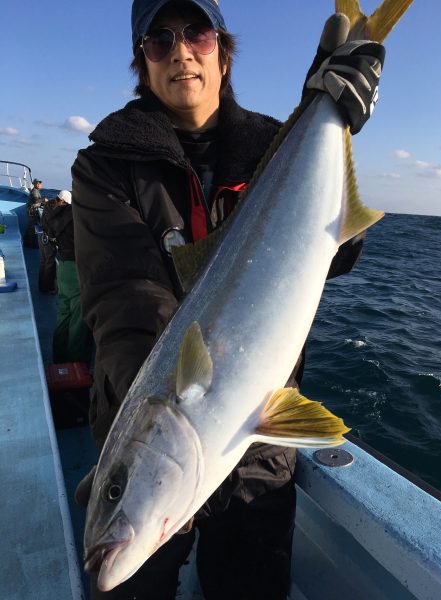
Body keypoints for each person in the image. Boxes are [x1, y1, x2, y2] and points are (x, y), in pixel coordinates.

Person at [72, 1, 385, 598]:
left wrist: (326, 113)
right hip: (144, 397)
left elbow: (339, 253)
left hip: (260, 440)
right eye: (159, 39)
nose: (181, 50)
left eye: (197, 33)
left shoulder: (271, 141)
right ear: (142, 61)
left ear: (222, 48)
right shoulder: (104, 165)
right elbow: (126, 297)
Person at [41, 190, 92, 365]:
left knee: (64, 312)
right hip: (76, 268)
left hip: (62, 266)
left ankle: (59, 356)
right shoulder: (77, 216)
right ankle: (75, 363)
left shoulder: (56, 213)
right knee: (79, 316)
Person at [24, 178, 48, 248]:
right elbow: (35, 200)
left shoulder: (36, 191)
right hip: (32, 212)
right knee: (32, 228)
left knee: (33, 227)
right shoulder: (34, 191)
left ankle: (29, 244)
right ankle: (31, 245)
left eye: (40, 183)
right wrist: (44, 199)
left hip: (33, 212)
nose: (39, 184)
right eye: (38, 183)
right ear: (35, 184)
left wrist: (42, 203)